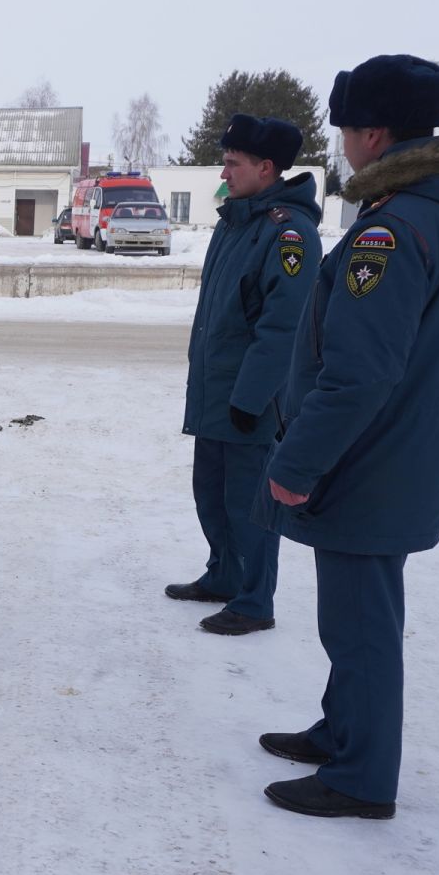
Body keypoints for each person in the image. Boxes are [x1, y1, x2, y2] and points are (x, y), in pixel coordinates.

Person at [255, 54, 439, 820]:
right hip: (396, 457)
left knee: (360, 626)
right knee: (354, 619)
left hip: (368, 464)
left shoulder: (390, 233)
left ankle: (360, 778)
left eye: (348, 129)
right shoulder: (438, 216)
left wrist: (295, 464)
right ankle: (343, 730)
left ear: (375, 132)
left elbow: (358, 374)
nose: (342, 144)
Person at [167, 114, 319, 635]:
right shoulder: (236, 223)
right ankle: (225, 575)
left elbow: (284, 328)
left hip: (249, 402)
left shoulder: (288, 234)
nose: (224, 174)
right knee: (210, 493)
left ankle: (255, 601)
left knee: (249, 504)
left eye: (233, 164)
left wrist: (251, 398)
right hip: (216, 391)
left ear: (267, 167)